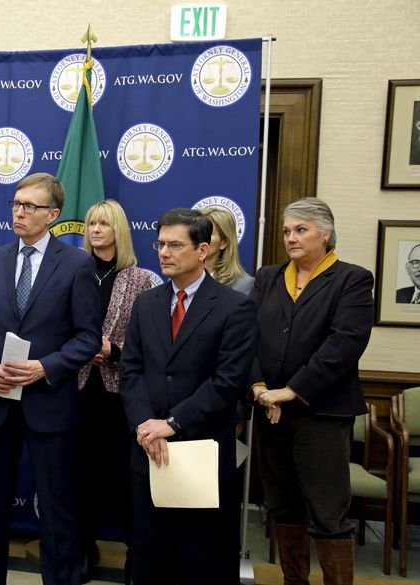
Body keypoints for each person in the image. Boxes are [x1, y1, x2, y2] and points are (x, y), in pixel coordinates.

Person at [0, 172, 101, 585]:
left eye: (30, 206)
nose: (19, 212)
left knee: (58, 508)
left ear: (53, 214)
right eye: (16, 204)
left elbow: (88, 338)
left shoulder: (77, 264)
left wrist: (46, 367)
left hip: (50, 404)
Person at [120, 208, 256, 585]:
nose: (164, 252)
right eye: (160, 244)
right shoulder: (146, 303)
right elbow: (130, 372)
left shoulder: (234, 306)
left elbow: (227, 381)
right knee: (148, 558)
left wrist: (172, 423)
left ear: (203, 250)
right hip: (148, 450)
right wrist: (146, 426)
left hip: (201, 450)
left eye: (175, 245)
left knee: (202, 560)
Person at [251, 197, 374, 585]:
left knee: (327, 513)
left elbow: (344, 345)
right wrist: (258, 386)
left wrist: (291, 390)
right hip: (269, 411)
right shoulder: (268, 277)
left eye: (301, 230)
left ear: (326, 233)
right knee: (283, 507)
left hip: (322, 415)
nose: (291, 237)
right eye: (287, 230)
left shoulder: (352, 279)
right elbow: (247, 337)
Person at [76, 199, 151, 583]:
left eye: (103, 223)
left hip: (120, 395)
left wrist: (114, 351)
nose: (95, 230)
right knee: (81, 477)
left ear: (118, 229)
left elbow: (152, 342)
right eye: (91, 223)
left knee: (126, 480)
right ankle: (82, 552)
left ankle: (136, 557)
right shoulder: (75, 270)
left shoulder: (142, 279)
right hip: (78, 390)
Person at [201, 206, 254, 294]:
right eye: (197, 232)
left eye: (207, 233)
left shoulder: (242, 285)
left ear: (224, 242)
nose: (199, 238)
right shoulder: (181, 277)